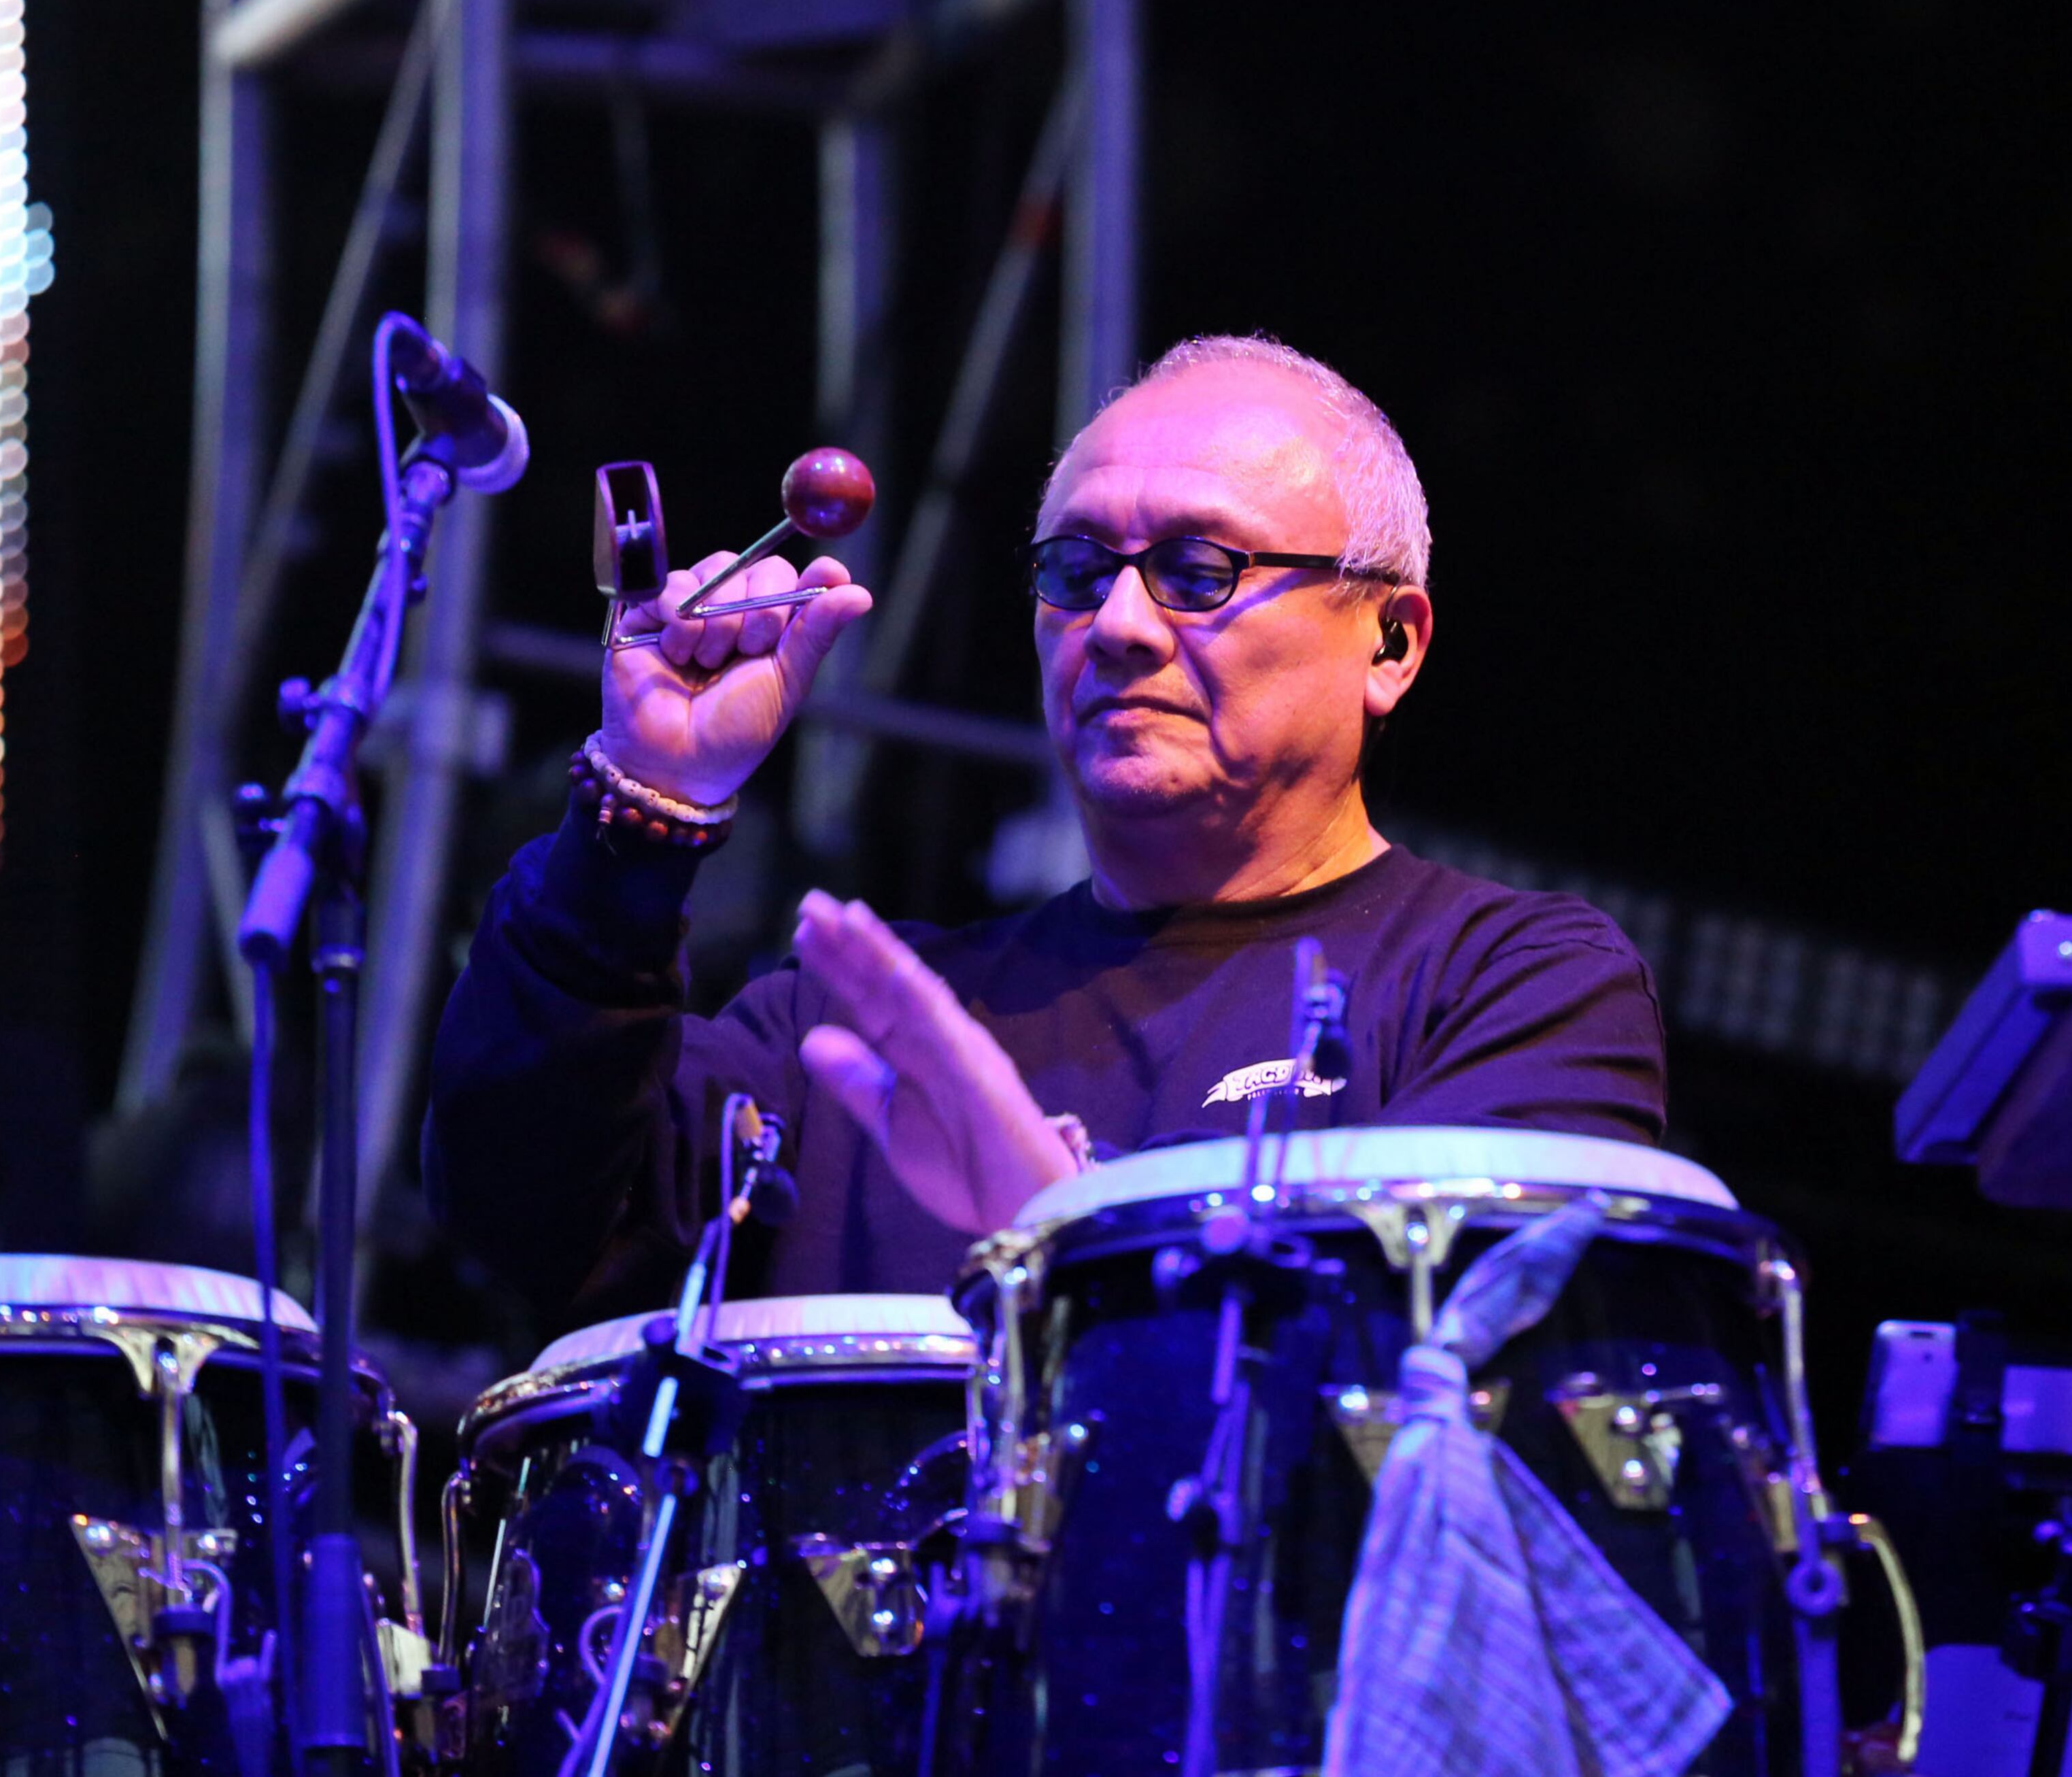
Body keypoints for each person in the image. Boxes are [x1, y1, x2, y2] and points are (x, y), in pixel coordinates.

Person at [424, 335, 1665, 1326]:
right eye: (1077, 569)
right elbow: (514, 1218)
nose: (1118, 624)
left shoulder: (1516, 983)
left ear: (1388, 642)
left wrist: (1067, 1236)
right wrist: (644, 804)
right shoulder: (851, 1024)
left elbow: (1438, 1383)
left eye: (1197, 568)